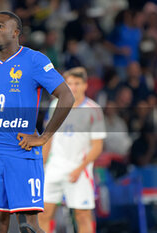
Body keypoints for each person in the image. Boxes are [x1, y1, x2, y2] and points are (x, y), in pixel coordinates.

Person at [0, 11, 74, 233]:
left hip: (22, 150)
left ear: (16, 33)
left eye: (0, 26)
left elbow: (67, 97)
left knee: (28, 224)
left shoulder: (34, 60)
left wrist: (44, 136)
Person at [38, 67, 106, 233]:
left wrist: (79, 169)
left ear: (85, 85)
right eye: (69, 83)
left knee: (82, 215)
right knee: (44, 213)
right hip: (54, 167)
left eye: (77, 83)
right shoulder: (55, 105)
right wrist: (41, 165)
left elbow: (97, 146)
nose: (73, 87)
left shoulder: (93, 110)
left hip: (80, 169)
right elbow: (48, 138)